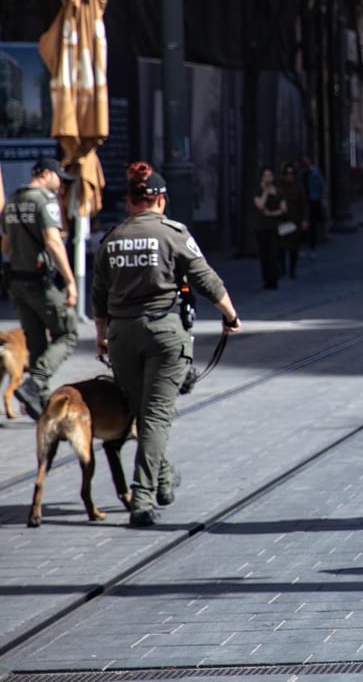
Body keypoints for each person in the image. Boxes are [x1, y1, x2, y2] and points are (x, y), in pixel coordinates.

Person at [92, 162, 241, 526]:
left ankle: (162, 480)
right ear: (160, 200)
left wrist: (101, 335)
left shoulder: (112, 239)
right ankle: (142, 499)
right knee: (156, 415)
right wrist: (230, 315)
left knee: (143, 411)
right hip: (162, 333)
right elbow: (204, 277)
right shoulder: (173, 233)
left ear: (130, 201)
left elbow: (99, 295)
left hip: (121, 335)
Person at [2, 158, 79, 418]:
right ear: (45, 174)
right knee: (67, 333)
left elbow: (5, 246)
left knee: (36, 342)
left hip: (16, 281)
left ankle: (39, 405)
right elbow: (54, 243)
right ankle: (35, 384)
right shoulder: (44, 200)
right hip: (39, 282)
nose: (61, 186)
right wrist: (70, 281)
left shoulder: (12, 201)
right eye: (59, 179)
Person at [252, 166, 285, 290]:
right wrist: (266, 192)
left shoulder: (277, 191)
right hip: (261, 226)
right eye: (266, 176)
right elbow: (260, 205)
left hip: (274, 226)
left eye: (270, 176)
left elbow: (283, 208)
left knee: (273, 252)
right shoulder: (258, 190)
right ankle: (267, 279)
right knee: (264, 254)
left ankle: (274, 278)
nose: (269, 178)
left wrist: (271, 213)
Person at [276, 162, 308, 279]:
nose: (289, 176)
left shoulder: (298, 187)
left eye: (291, 173)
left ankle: (292, 269)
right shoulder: (279, 187)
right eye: (287, 173)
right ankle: (282, 268)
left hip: (295, 220)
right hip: (283, 221)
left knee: (294, 247)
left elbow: (304, 204)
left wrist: (304, 219)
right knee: (281, 247)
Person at [300, 155, 325, 258]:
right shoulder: (301, 173)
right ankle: (304, 246)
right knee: (303, 225)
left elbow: (321, 186)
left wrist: (322, 198)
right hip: (303, 201)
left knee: (312, 225)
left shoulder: (315, 172)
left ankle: (312, 248)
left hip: (313, 200)